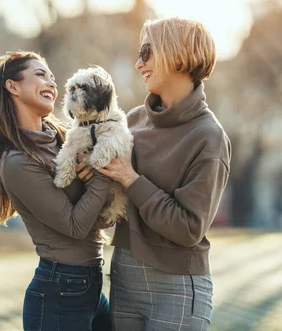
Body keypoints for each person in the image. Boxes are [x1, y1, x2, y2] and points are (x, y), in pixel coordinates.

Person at [99, 18, 232, 330]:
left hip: (178, 288)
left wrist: (131, 179)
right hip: (124, 276)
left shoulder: (209, 137)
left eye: (147, 52)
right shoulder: (131, 121)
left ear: (178, 56)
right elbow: (109, 208)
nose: (138, 63)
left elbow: (188, 228)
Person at [0, 51, 113, 331]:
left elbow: (97, 217)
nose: (52, 83)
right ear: (13, 86)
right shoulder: (17, 162)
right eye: (40, 75)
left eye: (52, 78)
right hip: (60, 293)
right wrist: (103, 174)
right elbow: (76, 226)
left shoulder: (66, 139)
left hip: (90, 285)